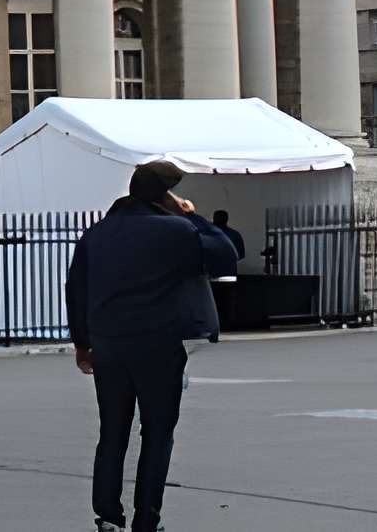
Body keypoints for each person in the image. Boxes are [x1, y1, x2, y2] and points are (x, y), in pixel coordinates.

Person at [67, 158, 242, 532]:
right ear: (163, 196)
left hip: (109, 344)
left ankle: (108, 516)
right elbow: (226, 253)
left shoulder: (97, 234)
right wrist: (192, 216)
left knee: (112, 431)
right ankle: (147, 518)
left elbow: (77, 290)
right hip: (158, 342)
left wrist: (83, 344)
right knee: (157, 433)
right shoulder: (176, 230)